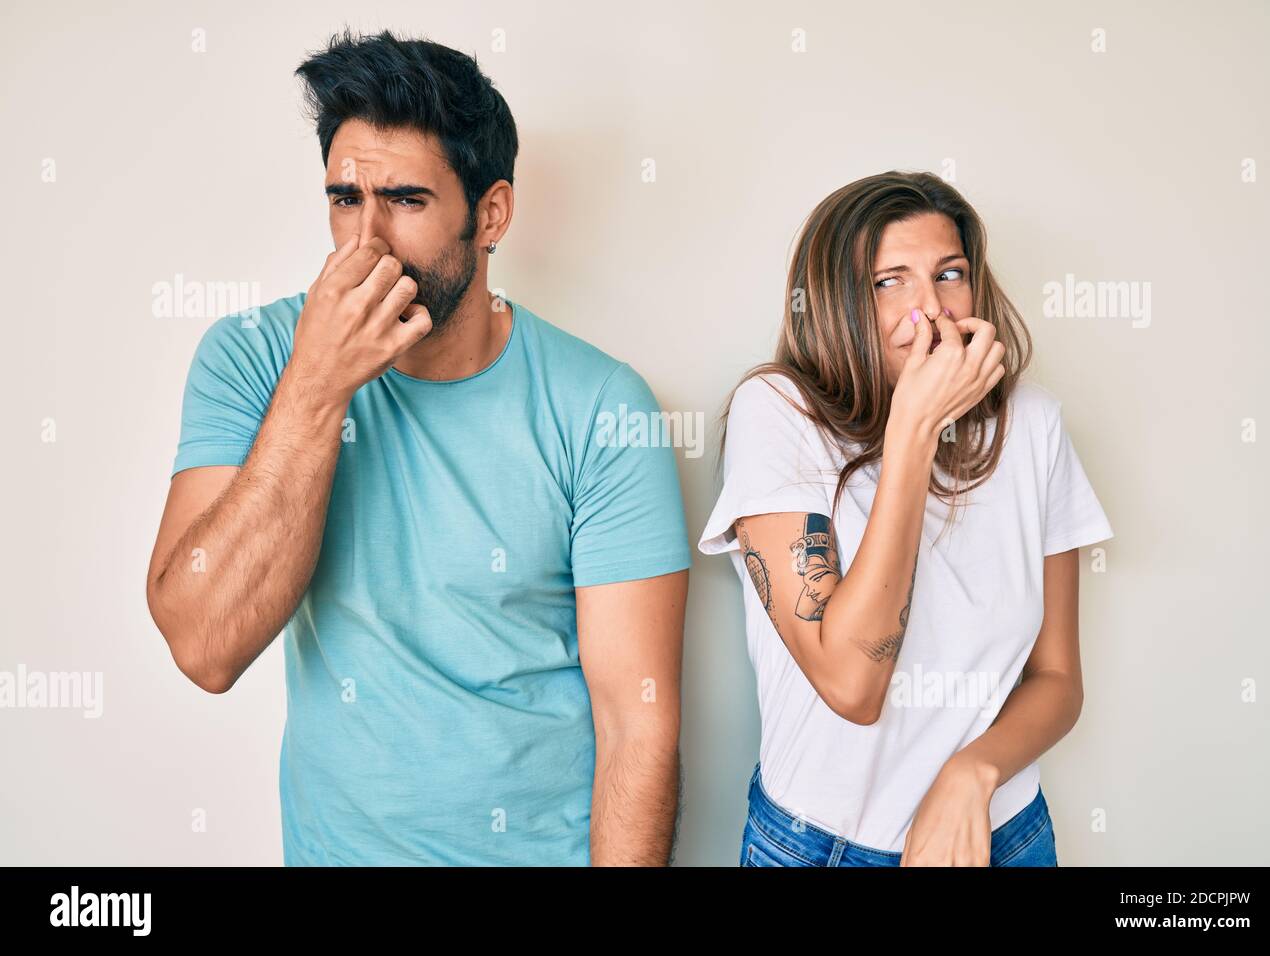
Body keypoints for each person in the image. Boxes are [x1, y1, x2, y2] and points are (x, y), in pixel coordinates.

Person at [145, 29, 690, 866]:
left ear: (491, 213)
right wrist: (318, 385)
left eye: (404, 200)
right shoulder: (253, 358)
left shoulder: (602, 407)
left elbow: (638, 724)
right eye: (342, 199)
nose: (364, 243)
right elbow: (204, 647)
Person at [698, 171, 1113, 866]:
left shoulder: (1034, 425)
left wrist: (970, 774)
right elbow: (853, 685)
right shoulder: (777, 414)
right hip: (821, 846)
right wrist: (913, 431)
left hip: (999, 833)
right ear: (836, 301)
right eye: (889, 281)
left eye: (949, 274)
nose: (928, 309)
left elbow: (1058, 681)